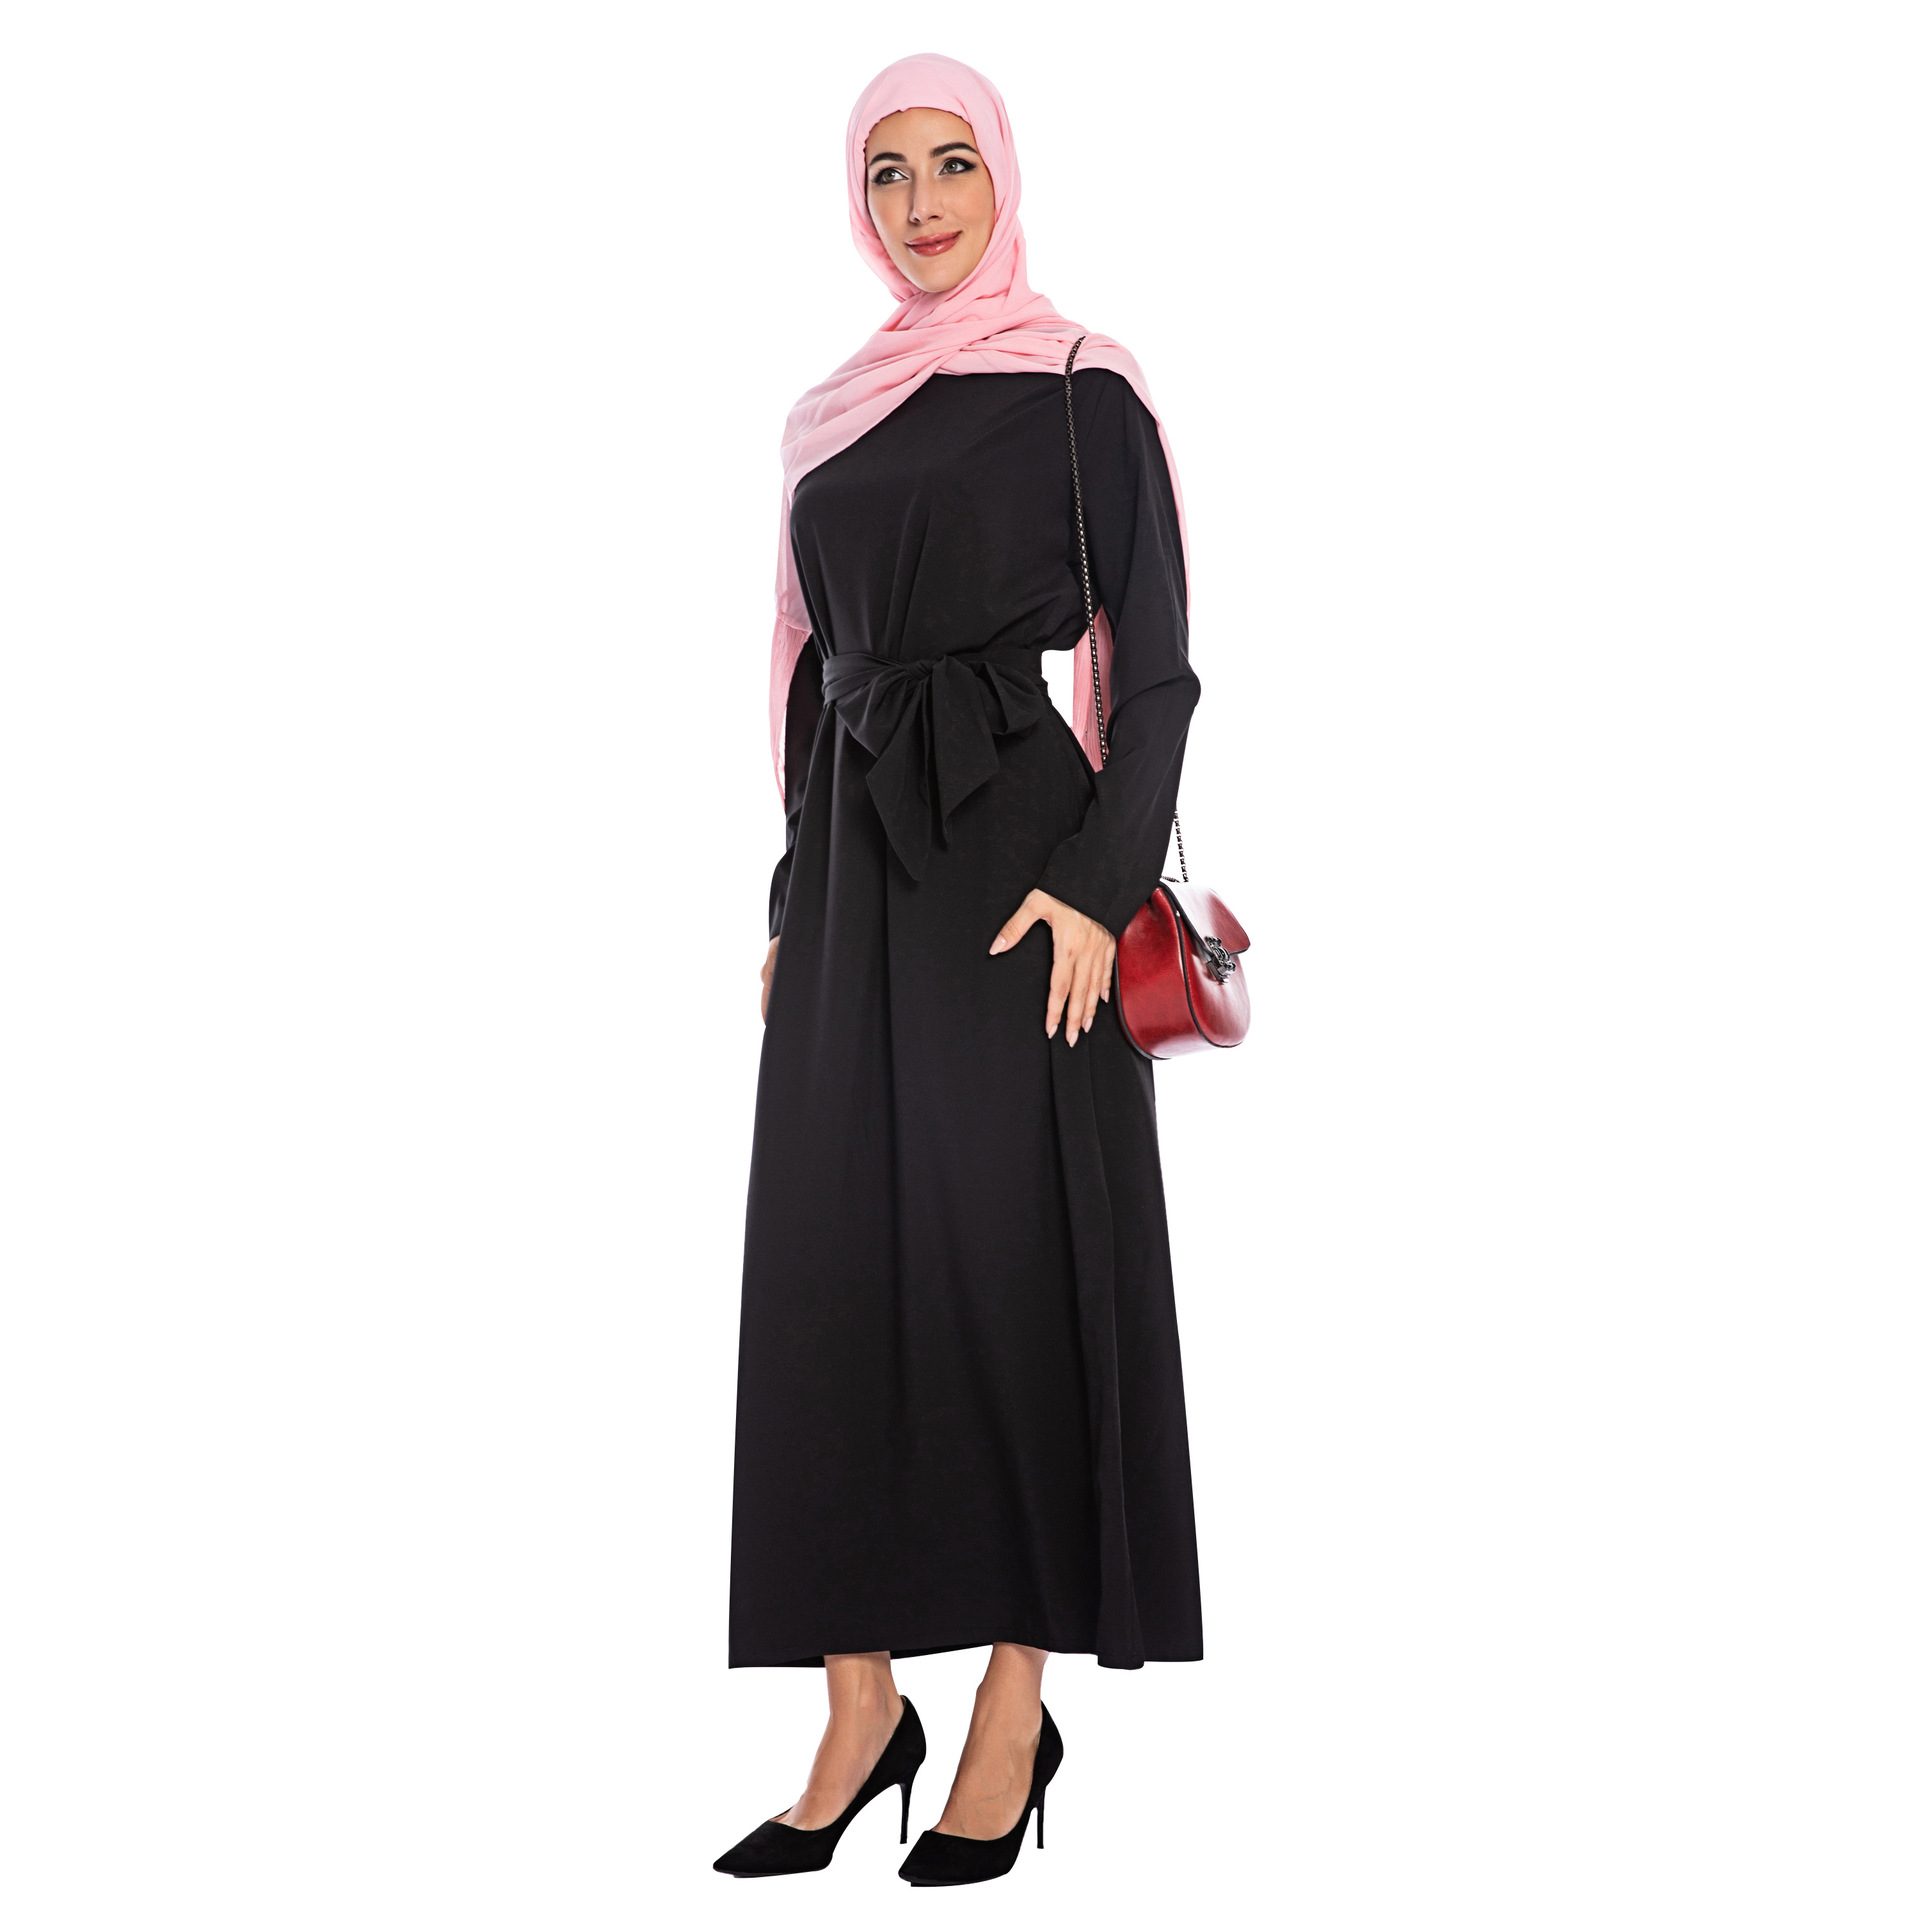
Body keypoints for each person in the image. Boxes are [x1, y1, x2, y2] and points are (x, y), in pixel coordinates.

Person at [715, 54, 1203, 1888]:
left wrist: (1095, 888)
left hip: (1021, 887)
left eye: (951, 167)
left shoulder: (1082, 388)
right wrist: (790, 898)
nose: (921, 205)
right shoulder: (823, 420)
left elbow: (1154, 668)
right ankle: (861, 1706)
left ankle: (1013, 1700)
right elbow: (800, 671)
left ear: (1004, 176)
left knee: (1014, 1271)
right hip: (850, 883)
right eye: (887, 174)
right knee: (831, 1276)